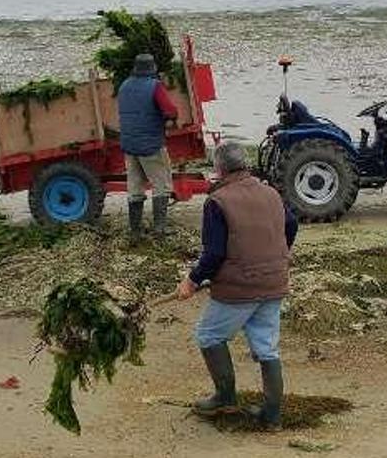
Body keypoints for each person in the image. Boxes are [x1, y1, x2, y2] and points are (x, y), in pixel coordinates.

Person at [175, 141, 298, 430]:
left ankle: (224, 397)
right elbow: (291, 225)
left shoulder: (217, 202)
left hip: (238, 289)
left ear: (218, 169)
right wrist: (278, 255)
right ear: (245, 164)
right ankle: (272, 415)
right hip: (274, 282)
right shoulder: (271, 192)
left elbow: (214, 254)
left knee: (208, 335)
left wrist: (191, 281)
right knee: (267, 348)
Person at [117, 53, 179, 239]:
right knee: (162, 184)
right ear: (152, 70)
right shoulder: (155, 86)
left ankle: (135, 232)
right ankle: (159, 229)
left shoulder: (124, 85)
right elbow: (170, 110)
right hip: (150, 144)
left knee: (135, 186)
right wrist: (171, 118)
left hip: (129, 145)